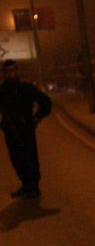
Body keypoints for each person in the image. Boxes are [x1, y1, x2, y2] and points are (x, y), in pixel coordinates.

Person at [0, 59, 51, 199]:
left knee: (30, 157)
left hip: (26, 129)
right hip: (11, 131)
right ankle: (26, 184)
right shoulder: (2, 91)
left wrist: (36, 118)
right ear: (4, 74)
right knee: (16, 159)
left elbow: (45, 103)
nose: (12, 74)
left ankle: (34, 186)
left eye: (14, 70)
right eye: (8, 71)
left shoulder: (26, 88)